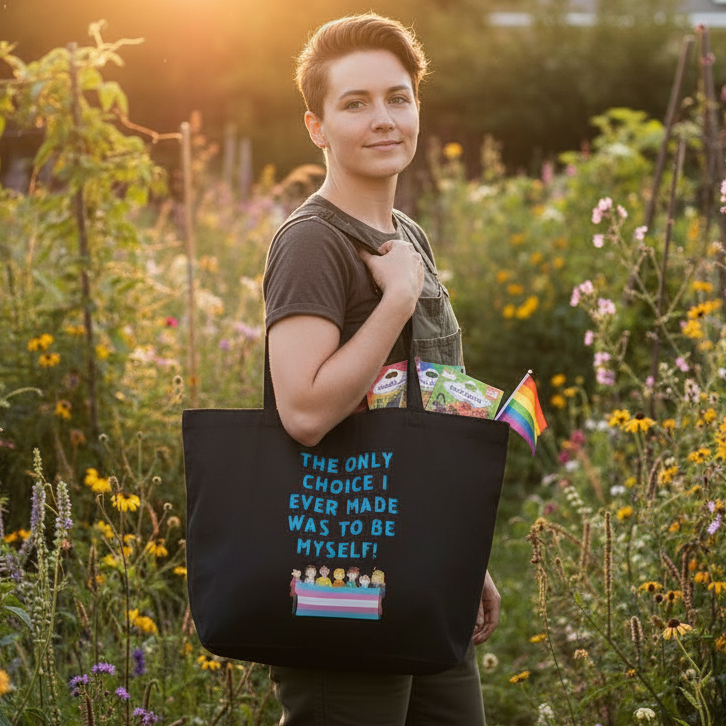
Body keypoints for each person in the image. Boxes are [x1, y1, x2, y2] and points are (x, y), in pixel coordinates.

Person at [262, 13, 501, 725]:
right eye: (355, 103)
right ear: (317, 126)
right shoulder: (312, 244)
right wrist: (395, 300)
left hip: (423, 564)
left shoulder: (409, 237)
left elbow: (425, 405)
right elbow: (303, 413)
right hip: (341, 566)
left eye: (398, 98)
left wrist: (461, 554)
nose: (383, 118)